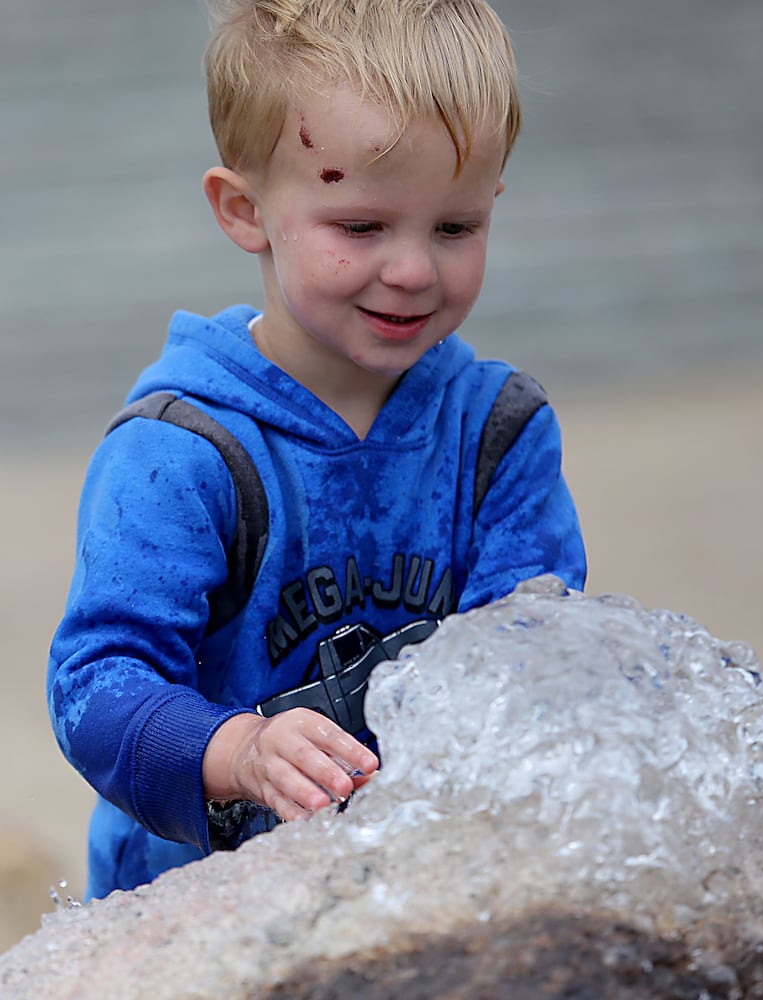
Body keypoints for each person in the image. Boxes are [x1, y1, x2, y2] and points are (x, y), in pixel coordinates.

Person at [48, 0, 586, 901]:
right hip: (198, 896)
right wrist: (240, 751)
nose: (414, 269)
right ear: (244, 209)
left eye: (454, 227)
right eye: (362, 228)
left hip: (420, 883)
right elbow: (96, 686)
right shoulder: (183, 452)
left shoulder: (498, 432)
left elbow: (537, 657)